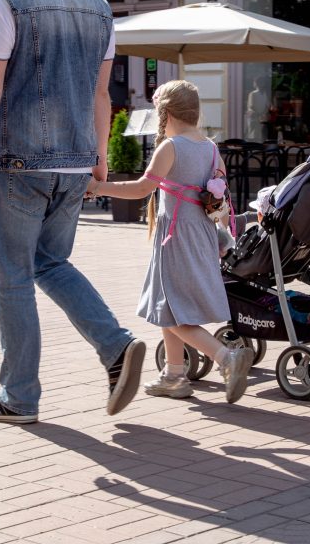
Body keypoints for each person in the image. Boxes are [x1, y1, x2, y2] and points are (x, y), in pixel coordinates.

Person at [0, 0, 145, 425]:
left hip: (18, 162)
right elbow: (102, 94)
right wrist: (101, 157)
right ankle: (115, 345)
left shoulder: (6, 1)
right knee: (50, 263)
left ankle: (18, 397)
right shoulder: (100, 8)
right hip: (75, 160)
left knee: (13, 275)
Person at [90, 80, 253, 404]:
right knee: (170, 305)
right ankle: (174, 374)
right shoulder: (210, 147)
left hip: (174, 237)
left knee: (171, 309)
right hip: (202, 235)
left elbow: (141, 189)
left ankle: (226, 358)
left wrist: (98, 187)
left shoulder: (171, 146)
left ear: (164, 112)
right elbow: (218, 192)